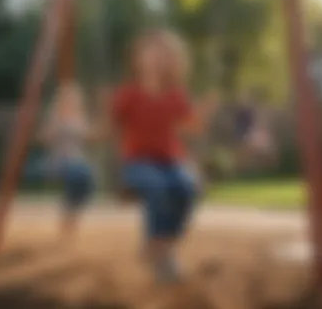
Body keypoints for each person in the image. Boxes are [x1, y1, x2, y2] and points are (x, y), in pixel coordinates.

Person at [109, 29, 217, 283]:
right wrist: (117, 165)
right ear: (138, 59)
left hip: (171, 160)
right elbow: (113, 126)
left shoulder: (176, 94)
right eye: (152, 52)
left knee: (187, 187)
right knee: (157, 187)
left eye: (165, 54)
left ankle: (165, 246)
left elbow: (192, 128)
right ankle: (157, 249)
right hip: (137, 162)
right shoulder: (128, 93)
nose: (158, 58)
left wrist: (203, 113)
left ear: (174, 62)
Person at [26, 82, 96, 241]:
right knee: (76, 175)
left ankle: (71, 216)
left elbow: (87, 138)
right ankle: (68, 219)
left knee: (86, 178)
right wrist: (54, 125)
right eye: (68, 100)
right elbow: (44, 139)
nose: (72, 103)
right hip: (58, 160)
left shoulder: (80, 118)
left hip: (78, 161)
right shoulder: (55, 117)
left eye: (75, 100)